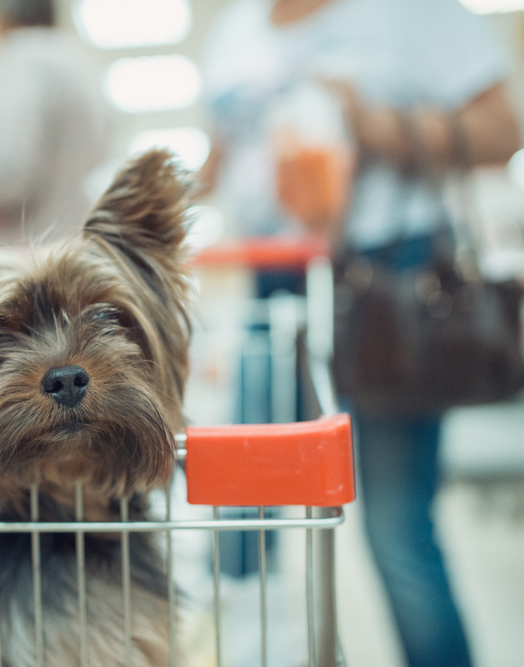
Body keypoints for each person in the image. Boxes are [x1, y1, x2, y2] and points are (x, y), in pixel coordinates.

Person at [198, 0, 520, 665]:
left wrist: (376, 125)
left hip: (391, 282)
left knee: (397, 528)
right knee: (237, 507)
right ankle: (247, 648)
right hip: (271, 285)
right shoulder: (236, 29)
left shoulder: (414, 13)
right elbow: (218, 158)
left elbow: (502, 130)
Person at [0, 0, 111, 247]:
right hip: (73, 239)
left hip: (28, 250)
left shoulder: (22, 54)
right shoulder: (77, 59)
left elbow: (11, 165)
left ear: (3, 18)